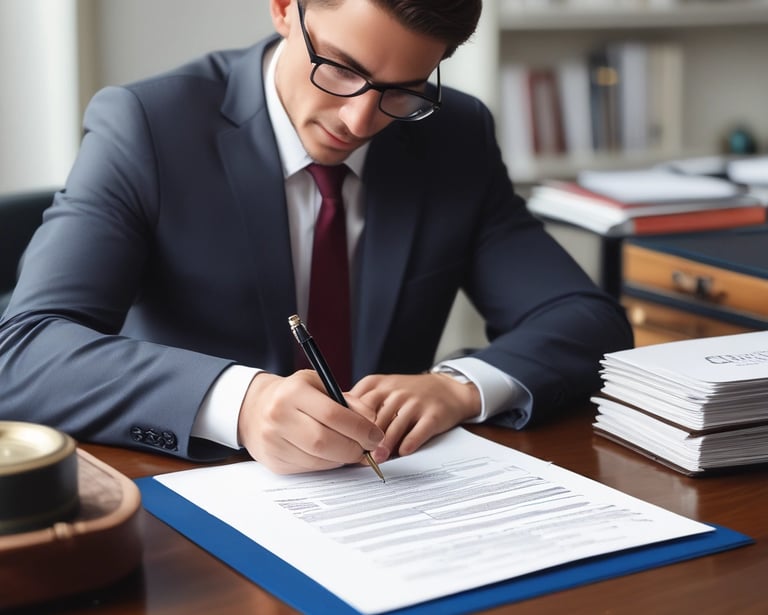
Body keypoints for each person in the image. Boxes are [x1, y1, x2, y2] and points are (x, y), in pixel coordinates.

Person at [0, 0, 633, 475]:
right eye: (342, 68)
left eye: (404, 91)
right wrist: (239, 403)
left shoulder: (453, 135)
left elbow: (585, 319)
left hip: (391, 497)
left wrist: (458, 386)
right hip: (193, 498)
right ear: (284, 8)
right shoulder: (148, 127)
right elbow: (23, 353)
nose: (360, 119)